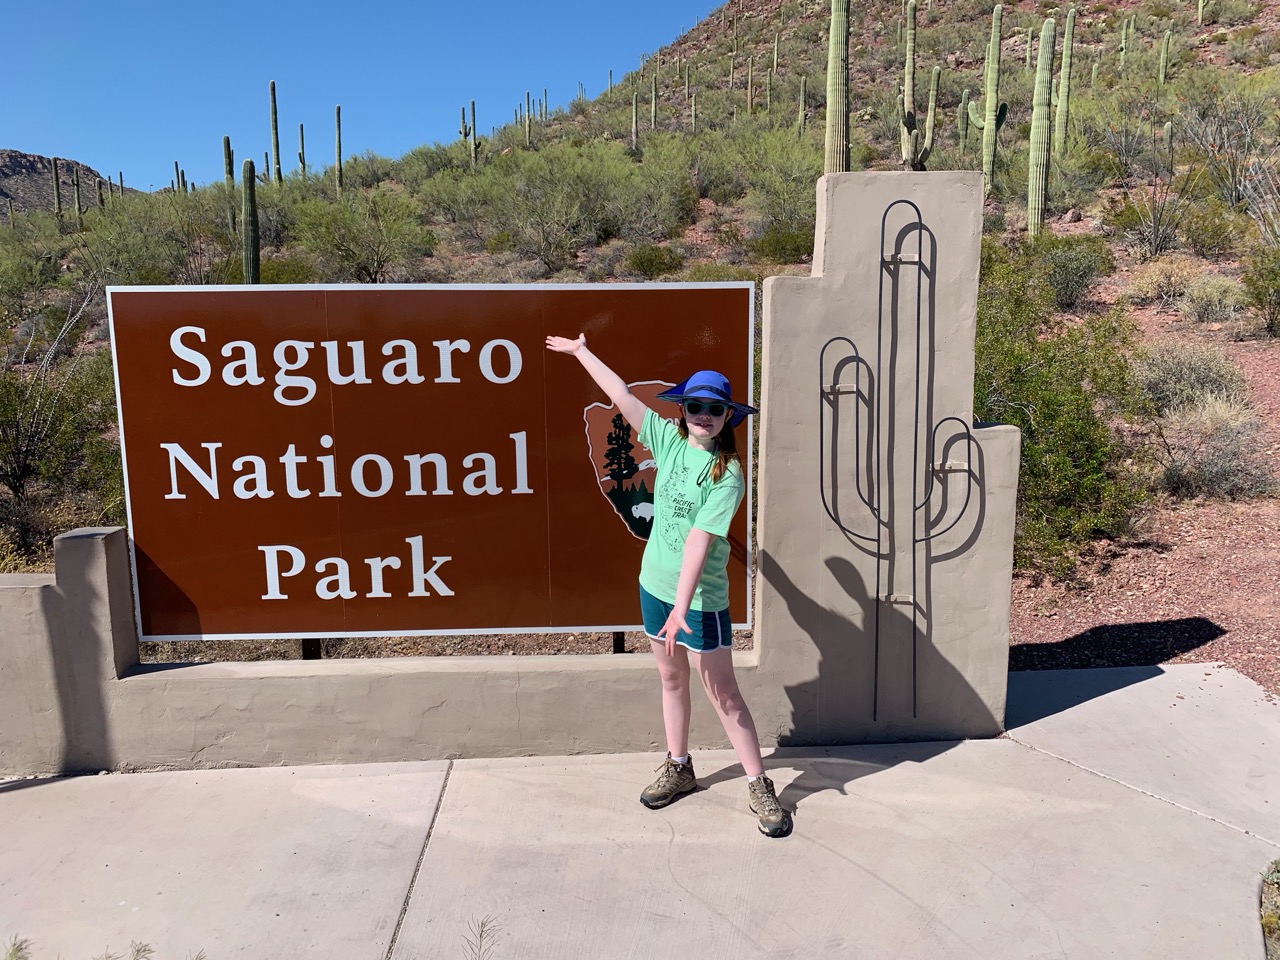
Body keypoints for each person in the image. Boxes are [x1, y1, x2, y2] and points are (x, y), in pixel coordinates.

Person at [545, 332, 792, 839]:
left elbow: (700, 543)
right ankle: (680, 766)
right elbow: (621, 397)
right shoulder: (668, 438)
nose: (703, 416)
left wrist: (682, 608)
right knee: (672, 680)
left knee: (723, 694)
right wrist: (582, 351)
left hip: (699, 603)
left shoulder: (727, 475)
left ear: (728, 418)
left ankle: (758, 782)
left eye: (714, 409)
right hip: (653, 587)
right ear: (684, 411)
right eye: (696, 406)